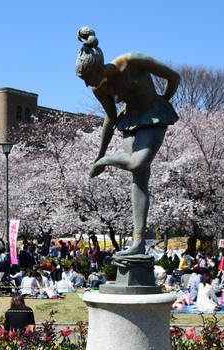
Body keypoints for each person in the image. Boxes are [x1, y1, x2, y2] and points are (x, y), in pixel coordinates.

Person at [75, 26, 179, 258]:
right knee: (139, 179)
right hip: (130, 122)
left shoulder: (131, 61)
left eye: (88, 77)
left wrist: (163, 101)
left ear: (98, 67)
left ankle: (107, 161)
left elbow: (174, 77)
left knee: (137, 163)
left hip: (153, 115)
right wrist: (98, 152)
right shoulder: (98, 87)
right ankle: (138, 241)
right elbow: (111, 118)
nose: (87, 84)